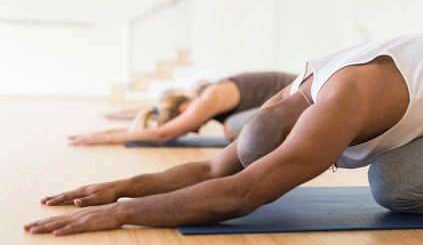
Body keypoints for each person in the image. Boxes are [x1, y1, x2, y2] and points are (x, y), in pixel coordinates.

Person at [25, 33, 423, 236]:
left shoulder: (339, 104)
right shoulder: (288, 96)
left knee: (393, 187)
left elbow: (241, 195)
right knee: (395, 177)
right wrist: (121, 186)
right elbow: (216, 168)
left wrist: (122, 215)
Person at [68, 71, 297, 145]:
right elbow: (160, 109)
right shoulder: (194, 96)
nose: (193, 131)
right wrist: (129, 115)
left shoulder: (207, 100)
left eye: (187, 127)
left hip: (302, 93)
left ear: (185, 109)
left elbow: (163, 133)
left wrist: (105, 138)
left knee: (232, 128)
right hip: (289, 95)